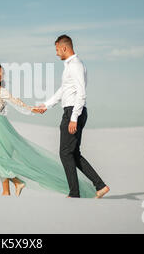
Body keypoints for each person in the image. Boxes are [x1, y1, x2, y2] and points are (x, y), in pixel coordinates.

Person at [0, 63, 96, 197]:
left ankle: (6, 191)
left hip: (0, 126)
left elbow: (17, 103)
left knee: (1, 157)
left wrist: (32, 109)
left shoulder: (2, 91)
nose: (0, 75)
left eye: (1, 73)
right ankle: (17, 182)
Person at [35, 34, 110, 199]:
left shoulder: (75, 65)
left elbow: (81, 92)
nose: (56, 53)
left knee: (65, 153)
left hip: (73, 111)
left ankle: (74, 193)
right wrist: (46, 105)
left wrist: (74, 117)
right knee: (73, 153)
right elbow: (64, 90)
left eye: (56, 50)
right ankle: (100, 186)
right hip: (72, 110)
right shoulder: (69, 66)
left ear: (64, 48)